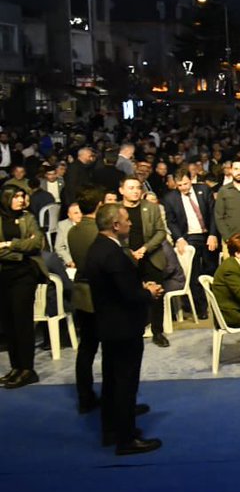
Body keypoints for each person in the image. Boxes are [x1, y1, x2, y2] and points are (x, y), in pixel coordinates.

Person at [83, 203, 163, 455]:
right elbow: (128, 294)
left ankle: (112, 430)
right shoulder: (113, 254)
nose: (131, 224)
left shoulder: (97, 248)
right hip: (123, 327)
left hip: (108, 325)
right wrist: (149, 292)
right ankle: (126, 439)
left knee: (112, 381)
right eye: (127, 220)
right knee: (125, 383)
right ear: (115, 225)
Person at [0, 184, 47, 389]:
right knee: (8, 323)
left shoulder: (29, 218)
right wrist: (22, 245)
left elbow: (37, 243)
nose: (21, 200)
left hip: (24, 274)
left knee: (23, 322)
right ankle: (15, 367)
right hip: (3, 275)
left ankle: (28, 369)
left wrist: (10, 245)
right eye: (16, 197)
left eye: (22, 196)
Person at [118, 176, 171, 347]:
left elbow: (161, 232)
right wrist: (129, 253)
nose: (135, 191)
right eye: (131, 188)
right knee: (129, 296)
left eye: (137, 187)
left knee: (157, 296)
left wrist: (144, 249)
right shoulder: (115, 210)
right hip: (126, 258)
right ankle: (132, 330)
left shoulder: (151, 208)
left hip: (151, 257)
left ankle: (158, 332)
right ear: (122, 191)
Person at [163, 169, 220, 320]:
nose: (183, 188)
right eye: (180, 185)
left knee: (211, 269)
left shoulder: (204, 189)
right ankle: (201, 307)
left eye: (186, 183)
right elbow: (171, 221)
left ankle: (217, 303)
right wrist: (179, 238)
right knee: (194, 273)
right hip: (188, 237)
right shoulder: (170, 198)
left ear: (192, 179)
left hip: (207, 234)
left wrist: (213, 234)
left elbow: (213, 213)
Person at [69, 186, 106, 412]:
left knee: (86, 349)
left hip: (82, 293)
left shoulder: (73, 231)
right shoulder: (98, 232)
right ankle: (114, 400)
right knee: (112, 350)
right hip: (101, 294)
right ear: (99, 206)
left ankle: (85, 396)